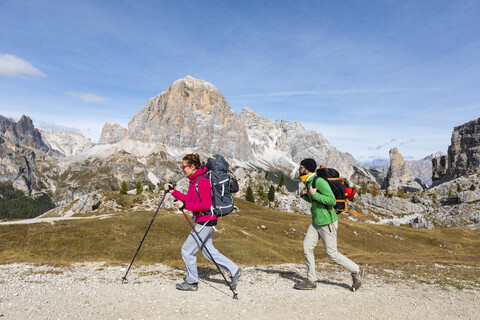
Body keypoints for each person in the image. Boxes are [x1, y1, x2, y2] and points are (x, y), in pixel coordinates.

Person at [165, 153, 242, 291]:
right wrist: (173, 192)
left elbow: (206, 205)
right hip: (204, 219)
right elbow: (190, 199)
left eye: (184, 167)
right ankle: (234, 270)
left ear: (193, 167)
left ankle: (192, 282)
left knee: (187, 250)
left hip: (206, 220)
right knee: (208, 251)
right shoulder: (195, 180)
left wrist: (184, 206)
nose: (182, 169)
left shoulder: (203, 181)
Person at [294, 158, 364, 291]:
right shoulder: (309, 181)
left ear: (307, 169)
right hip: (316, 222)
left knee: (332, 254)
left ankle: (357, 271)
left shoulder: (319, 181)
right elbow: (315, 201)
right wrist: (305, 195)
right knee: (307, 248)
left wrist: (314, 195)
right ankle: (311, 280)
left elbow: (331, 200)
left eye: (301, 168)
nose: (299, 170)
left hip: (328, 222)